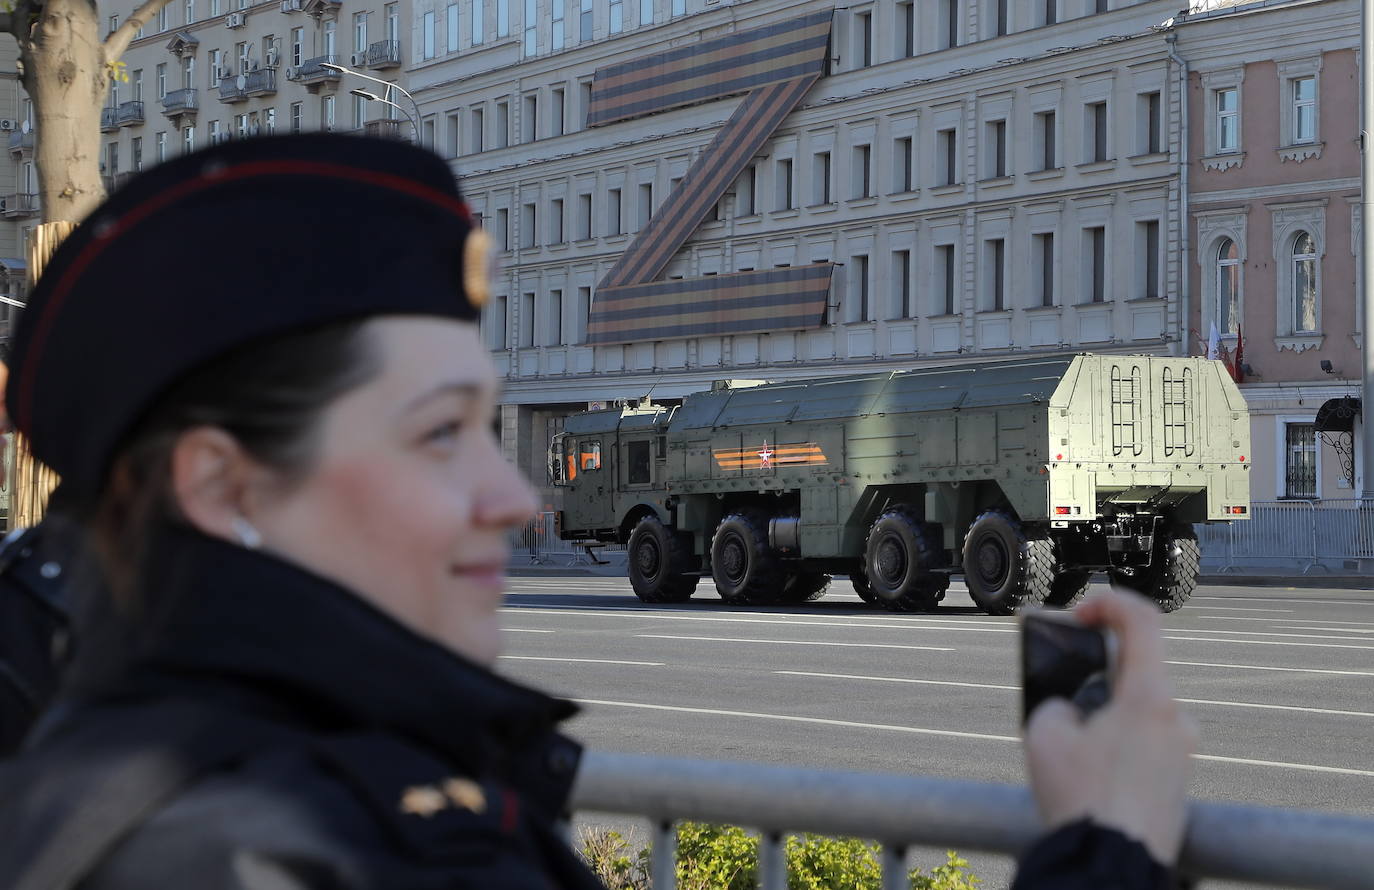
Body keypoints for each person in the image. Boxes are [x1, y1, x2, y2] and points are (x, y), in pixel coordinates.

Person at [0, 133, 1195, 889]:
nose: (513, 492)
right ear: (222, 484)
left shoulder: (205, 777)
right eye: (438, 433)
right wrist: (1113, 850)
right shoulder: (263, 841)